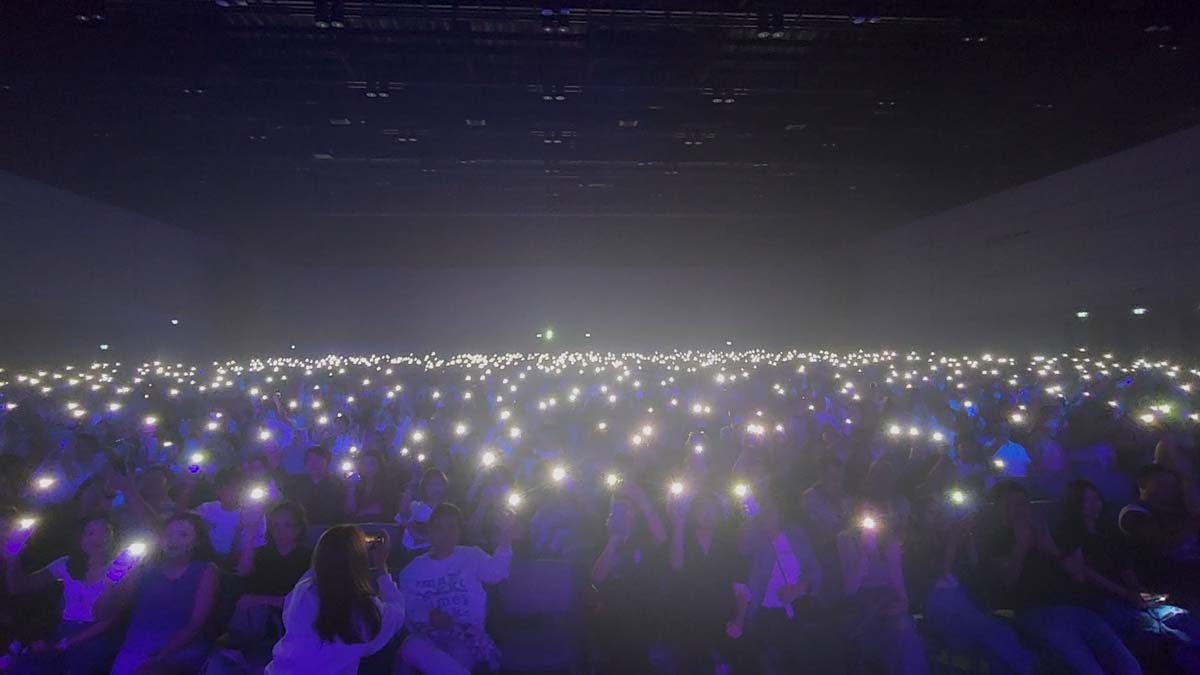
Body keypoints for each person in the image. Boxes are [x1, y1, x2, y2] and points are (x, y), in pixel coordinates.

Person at [985, 481, 1141, 675]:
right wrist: (1021, 545)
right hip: (1036, 612)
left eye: (1024, 503)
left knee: (1129, 667)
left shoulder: (1048, 531)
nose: (1021, 510)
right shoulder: (994, 541)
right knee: (1089, 670)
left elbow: (1078, 575)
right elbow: (1007, 582)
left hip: (1076, 606)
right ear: (998, 509)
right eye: (1012, 505)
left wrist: (1049, 546)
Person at [1057, 479, 1200, 672]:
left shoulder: (1106, 530)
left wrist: (1137, 590)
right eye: (1086, 500)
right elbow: (1085, 573)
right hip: (1101, 599)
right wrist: (1125, 593)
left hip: (1126, 593)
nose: (1094, 504)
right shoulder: (1069, 533)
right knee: (1154, 627)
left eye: (1096, 498)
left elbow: (1124, 566)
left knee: (1177, 616)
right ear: (1074, 504)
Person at [265, 525, 404, 675]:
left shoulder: (303, 592)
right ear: (359, 561)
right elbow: (397, 614)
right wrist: (381, 566)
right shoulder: (367, 610)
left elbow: (323, 569)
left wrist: (336, 550)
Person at [397, 502, 513, 675]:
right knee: (410, 646)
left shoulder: (472, 556)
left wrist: (505, 537)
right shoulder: (412, 571)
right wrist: (429, 616)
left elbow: (498, 573)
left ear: (459, 531)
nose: (446, 534)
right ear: (430, 531)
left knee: (454, 654)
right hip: (428, 636)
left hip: (465, 636)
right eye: (439, 528)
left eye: (452, 527)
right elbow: (409, 607)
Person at [101, 511, 220, 675]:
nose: (173, 540)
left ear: (196, 542)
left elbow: (196, 622)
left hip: (181, 647)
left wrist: (163, 653)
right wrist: (116, 578)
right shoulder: (145, 569)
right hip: (136, 644)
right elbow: (111, 608)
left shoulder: (205, 570)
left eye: (183, 535)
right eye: (168, 535)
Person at [5, 516, 123, 675]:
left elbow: (108, 619)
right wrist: (14, 557)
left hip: (96, 637)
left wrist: (67, 643)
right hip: (64, 629)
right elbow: (18, 587)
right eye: (90, 533)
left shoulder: (123, 568)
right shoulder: (66, 563)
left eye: (106, 533)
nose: (98, 538)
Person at [741, 491, 841, 674]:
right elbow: (743, 550)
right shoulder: (755, 538)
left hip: (798, 610)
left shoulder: (795, 535)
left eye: (771, 510)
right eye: (763, 511)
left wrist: (798, 589)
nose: (767, 516)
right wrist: (749, 523)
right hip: (766, 614)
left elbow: (815, 571)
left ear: (780, 513)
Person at [207, 502, 312, 674]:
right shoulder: (262, 553)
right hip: (251, 615)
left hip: (286, 617)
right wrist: (251, 530)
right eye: (275, 526)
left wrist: (261, 600)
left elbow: (303, 600)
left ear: (299, 528)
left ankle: (238, 645)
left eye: (288, 525)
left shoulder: (308, 557)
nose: (281, 531)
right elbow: (243, 571)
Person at [837, 500, 929, 675]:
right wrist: (865, 553)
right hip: (861, 603)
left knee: (905, 631)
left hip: (886, 599)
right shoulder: (845, 539)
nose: (870, 517)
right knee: (872, 640)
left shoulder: (889, 541)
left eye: (874, 512)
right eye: (865, 512)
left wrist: (904, 603)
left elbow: (896, 578)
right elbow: (851, 588)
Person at [667, 491, 747, 674]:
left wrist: (740, 620)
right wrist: (678, 525)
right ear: (693, 513)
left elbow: (741, 588)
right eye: (702, 508)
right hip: (689, 623)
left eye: (712, 508)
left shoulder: (729, 545)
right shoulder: (684, 539)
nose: (707, 513)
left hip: (723, 622)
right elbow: (676, 566)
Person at [193, 467, 264, 562]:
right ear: (218, 490)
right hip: (206, 560)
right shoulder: (205, 509)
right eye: (230, 487)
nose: (235, 492)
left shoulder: (254, 514)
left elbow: (256, 549)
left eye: (238, 487)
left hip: (238, 562)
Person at [284, 446, 343, 525]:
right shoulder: (296, 482)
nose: (313, 464)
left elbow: (346, 511)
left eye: (318, 460)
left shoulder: (337, 483)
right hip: (301, 527)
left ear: (327, 463)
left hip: (330, 527)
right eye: (310, 460)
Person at [396, 468, 449, 552]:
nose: (435, 488)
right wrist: (413, 483)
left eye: (438, 484)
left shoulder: (447, 510)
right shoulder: (415, 506)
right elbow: (403, 515)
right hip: (408, 551)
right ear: (424, 486)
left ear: (444, 486)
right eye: (431, 484)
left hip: (433, 552)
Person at [343, 450, 396, 522]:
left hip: (380, 524)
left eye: (371, 463)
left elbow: (386, 508)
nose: (366, 467)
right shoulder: (356, 482)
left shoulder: (387, 483)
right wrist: (351, 488)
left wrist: (363, 512)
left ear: (379, 466)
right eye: (363, 463)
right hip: (357, 524)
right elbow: (349, 511)